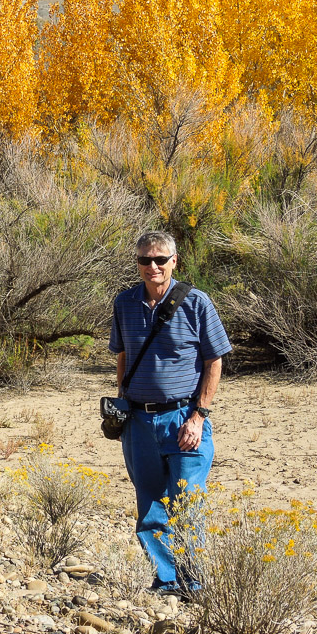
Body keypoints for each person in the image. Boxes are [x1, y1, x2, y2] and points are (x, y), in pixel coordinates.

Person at [109, 231, 231, 594]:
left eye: (160, 259)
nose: (153, 266)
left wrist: (199, 416)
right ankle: (166, 580)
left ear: (174, 261)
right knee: (149, 505)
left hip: (184, 420)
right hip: (138, 421)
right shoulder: (124, 303)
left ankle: (194, 583)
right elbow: (123, 355)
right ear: (137, 263)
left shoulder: (196, 302)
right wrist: (121, 402)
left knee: (187, 504)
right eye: (145, 260)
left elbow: (214, 360)